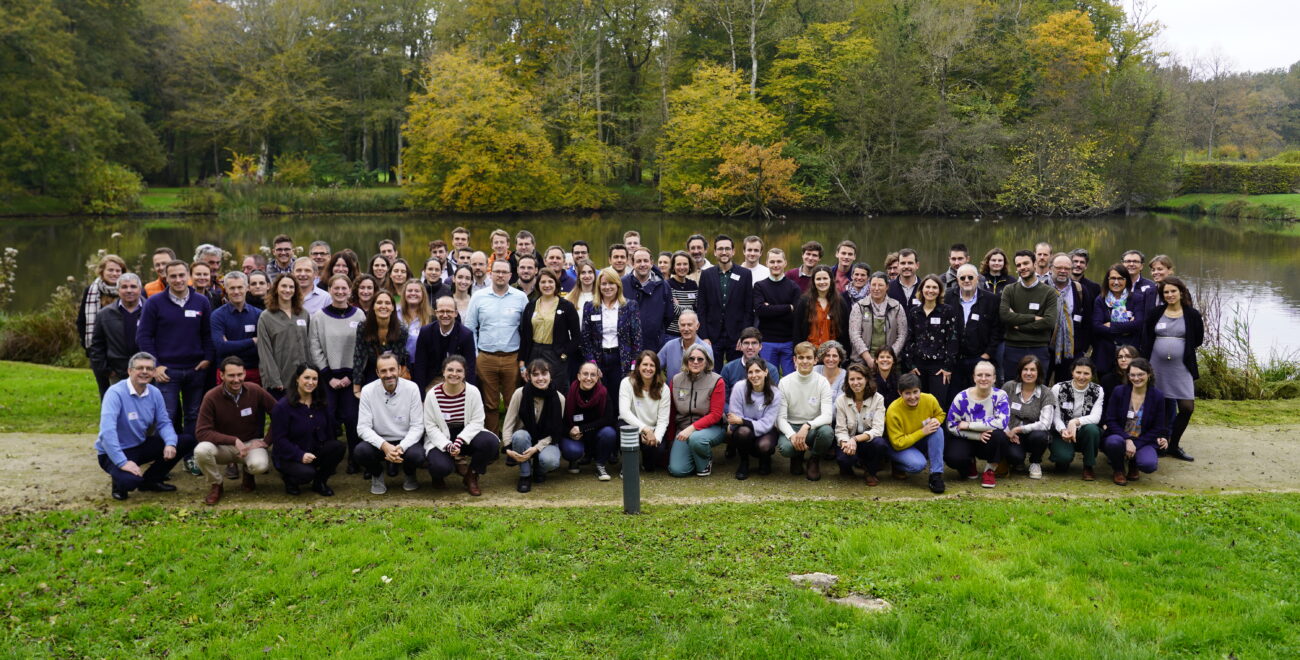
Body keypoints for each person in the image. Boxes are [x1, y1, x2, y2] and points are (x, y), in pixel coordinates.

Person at [136, 259, 213, 476]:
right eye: (173, 276)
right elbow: (144, 337)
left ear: (188, 275)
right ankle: (163, 462)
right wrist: (156, 366)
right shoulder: (154, 303)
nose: (178, 280)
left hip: (195, 370)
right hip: (166, 373)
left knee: (193, 416)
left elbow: (207, 334)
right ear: (165, 278)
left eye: (182, 275)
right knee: (166, 417)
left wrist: (207, 357)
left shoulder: (201, 302)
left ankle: (191, 457)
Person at [95, 352, 194, 500]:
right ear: (130, 371)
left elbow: (164, 422)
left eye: (149, 368)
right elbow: (107, 432)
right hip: (112, 451)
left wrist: (170, 443)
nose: (144, 372)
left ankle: (151, 480)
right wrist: (122, 462)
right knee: (131, 482)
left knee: (186, 440)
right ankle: (119, 482)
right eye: (140, 368)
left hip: (139, 445)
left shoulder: (155, 393)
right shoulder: (115, 393)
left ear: (154, 372)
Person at [193, 356, 277, 505]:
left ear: (245, 373)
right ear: (222, 375)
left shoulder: (255, 390)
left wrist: (266, 441)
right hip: (223, 446)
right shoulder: (211, 397)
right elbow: (201, 432)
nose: (236, 379)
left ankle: (248, 471)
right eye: (231, 375)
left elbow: (279, 414)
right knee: (201, 451)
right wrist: (233, 440)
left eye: (239, 374)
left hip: (250, 444)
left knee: (260, 466)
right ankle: (216, 484)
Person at [308, 274, 366, 473]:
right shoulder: (319, 317)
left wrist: (351, 376)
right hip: (328, 378)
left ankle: (354, 458)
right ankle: (330, 460)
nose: (340, 292)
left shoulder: (359, 315)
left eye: (344, 288)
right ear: (330, 290)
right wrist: (328, 377)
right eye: (336, 288)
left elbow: (363, 347)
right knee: (328, 418)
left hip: (352, 377)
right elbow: (314, 347)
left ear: (350, 291)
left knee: (352, 418)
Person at [464, 258, 528, 435]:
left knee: (512, 402)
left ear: (510, 275)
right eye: (497, 272)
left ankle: (511, 441)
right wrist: (476, 355)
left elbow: (526, 330)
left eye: (504, 272)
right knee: (489, 403)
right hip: (486, 357)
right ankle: (492, 440)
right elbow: (470, 328)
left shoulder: (520, 297)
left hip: (512, 357)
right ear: (490, 274)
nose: (500, 275)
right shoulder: (478, 297)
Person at [1143, 276, 1202, 463]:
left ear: (1181, 292)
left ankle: (1174, 444)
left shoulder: (1192, 315)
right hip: (1156, 367)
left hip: (1181, 366)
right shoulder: (1155, 313)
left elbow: (1198, 339)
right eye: (1166, 292)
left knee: (1186, 407)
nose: (1169, 295)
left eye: (1173, 291)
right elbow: (1147, 337)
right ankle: (1158, 443)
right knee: (1158, 406)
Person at [421, 355, 499, 496]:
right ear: (443, 372)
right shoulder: (432, 395)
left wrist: (459, 441)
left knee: (490, 443)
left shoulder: (473, 392)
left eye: (459, 371)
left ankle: (472, 476)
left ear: (464, 374)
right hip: (442, 436)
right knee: (441, 466)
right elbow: (430, 427)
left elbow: (477, 421)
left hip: (465, 435)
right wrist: (448, 445)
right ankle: (438, 475)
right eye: (450, 370)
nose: (454, 374)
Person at [270, 363, 345, 496]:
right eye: (307, 378)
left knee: (337, 447)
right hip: (290, 455)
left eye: (314, 379)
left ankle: (320, 482)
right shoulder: (282, 407)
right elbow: (279, 440)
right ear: (297, 379)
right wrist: (300, 455)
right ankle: (290, 480)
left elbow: (329, 432)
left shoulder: (321, 402)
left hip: (314, 450)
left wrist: (328, 458)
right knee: (307, 473)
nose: (311, 382)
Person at [356, 353, 425, 495]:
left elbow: (418, 426)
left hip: (405, 441)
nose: (388, 374)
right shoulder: (367, 391)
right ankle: (377, 474)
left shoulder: (412, 388)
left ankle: (409, 473)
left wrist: (401, 446)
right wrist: (385, 446)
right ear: (377, 372)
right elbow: (362, 428)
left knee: (417, 455)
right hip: (380, 442)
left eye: (392, 369)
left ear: (399, 369)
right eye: (383, 371)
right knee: (360, 452)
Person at [942, 360, 1012, 488]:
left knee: (1000, 437)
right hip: (966, 438)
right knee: (953, 457)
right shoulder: (961, 397)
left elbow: (1001, 423)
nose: (983, 378)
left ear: (994, 378)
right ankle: (969, 463)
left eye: (988, 375)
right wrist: (977, 436)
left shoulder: (1000, 396)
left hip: (988, 440)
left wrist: (969, 425)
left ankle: (990, 470)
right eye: (979, 375)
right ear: (974, 377)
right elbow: (951, 425)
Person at [1102, 357, 1170, 485]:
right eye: (1132, 375)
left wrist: (1136, 444)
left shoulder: (1158, 396)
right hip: (1120, 437)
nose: (1136, 378)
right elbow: (1110, 420)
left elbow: (1158, 427)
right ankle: (1119, 470)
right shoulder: (1119, 392)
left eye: (1140, 374)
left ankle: (1134, 465)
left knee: (1148, 465)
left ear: (1149, 374)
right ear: (1128, 376)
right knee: (1113, 442)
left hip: (1143, 439)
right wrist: (1127, 439)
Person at [504, 359, 567, 492]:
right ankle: (525, 475)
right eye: (535, 374)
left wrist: (537, 448)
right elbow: (508, 423)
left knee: (550, 461)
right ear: (528, 377)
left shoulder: (559, 398)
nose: (540, 378)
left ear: (550, 375)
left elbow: (555, 431)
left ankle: (540, 469)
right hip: (524, 437)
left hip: (547, 441)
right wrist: (508, 447)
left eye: (544, 374)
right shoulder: (520, 393)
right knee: (520, 436)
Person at [776, 342, 835, 481]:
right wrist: (792, 435)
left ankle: (814, 459)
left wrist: (807, 425)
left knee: (827, 433)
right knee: (785, 449)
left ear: (815, 360)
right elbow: (780, 418)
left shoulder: (822, 382)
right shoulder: (784, 382)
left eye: (809, 358)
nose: (805, 361)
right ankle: (797, 456)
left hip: (812, 427)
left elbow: (827, 415)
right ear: (795, 360)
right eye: (801, 358)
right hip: (792, 425)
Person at [580, 268, 642, 397]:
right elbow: (585, 338)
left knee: (619, 396)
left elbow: (637, 338)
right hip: (599, 359)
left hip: (620, 359)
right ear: (599, 286)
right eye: (603, 284)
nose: (607, 287)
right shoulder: (591, 307)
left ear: (617, 285)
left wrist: (633, 365)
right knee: (600, 396)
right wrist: (592, 364)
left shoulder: (630, 306)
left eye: (611, 283)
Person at [668, 345, 727, 478]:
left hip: (711, 428)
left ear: (707, 361)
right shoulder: (676, 380)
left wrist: (692, 428)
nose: (695, 362)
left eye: (700, 359)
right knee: (677, 470)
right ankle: (694, 456)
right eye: (692, 358)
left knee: (696, 439)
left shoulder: (717, 380)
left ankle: (705, 462)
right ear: (686, 360)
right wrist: (671, 440)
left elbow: (716, 414)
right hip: (682, 429)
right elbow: (671, 413)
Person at [998, 249, 1058, 381]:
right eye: (1018, 265)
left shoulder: (1049, 292)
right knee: (1011, 388)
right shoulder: (1009, 290)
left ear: (1035, 264)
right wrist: (1033, 318)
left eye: (1026, 263)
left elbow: (1049, 322)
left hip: (1039, 348)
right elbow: (1004, 316)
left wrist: (1018, 326)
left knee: (1038, 389)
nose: (1022, 267)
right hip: (1013, 348)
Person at [944, 263, 1003, 394]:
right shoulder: (947, 297)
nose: (966, 281)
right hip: (955, 360)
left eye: (970, 277)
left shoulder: (991, 300)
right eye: (962, 278)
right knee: (954, 397)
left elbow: (997, 329)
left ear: (977, 279)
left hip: (980, 358)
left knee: (979, 396)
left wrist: (987, 354)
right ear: (957, 280)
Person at [883, 373, 947, 493]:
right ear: (899, 393)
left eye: (915, 392)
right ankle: (897, 465)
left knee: (938, 430)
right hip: (899, 446)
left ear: (920, 390)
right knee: (918, 465)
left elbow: (940, 414)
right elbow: (898, 443)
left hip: (918, 440)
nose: (912, 397)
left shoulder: (929, 399)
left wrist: (936, 420)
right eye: (907, 393)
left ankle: (936, 474)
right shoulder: (893, 410)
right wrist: (923, 431)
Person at [521, 269, 580, 392]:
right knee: (534, 389)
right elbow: (525, 336)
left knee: (557, 390)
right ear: (538, 285)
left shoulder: (566, 306)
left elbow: (576, 337)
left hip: (555, 354)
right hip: (534, 353)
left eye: (550, 281)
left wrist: (564, 355)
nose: (547, 285)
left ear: (556, 284)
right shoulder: (530, 306)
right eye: (543, 282)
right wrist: (522, 362)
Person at [697, 235, 753, 363]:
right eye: (720, 249)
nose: (724, 252)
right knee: (712, 373)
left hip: (736, 335)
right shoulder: (706, 275)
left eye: (727, 248)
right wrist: (704, 336)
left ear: (733, 251)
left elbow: (748, 309)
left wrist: (744, 336)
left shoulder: (745, 274)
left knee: (736, 373)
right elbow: (701, 308)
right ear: (715, 252)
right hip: (712, 336)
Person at [904, 274, 958, 407]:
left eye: (935, 287)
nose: (931, 290)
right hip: (918, 366)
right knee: (918, 404)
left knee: (938, 404)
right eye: (927, 287)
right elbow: (909, 339)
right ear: (922, 289)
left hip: (939, 367)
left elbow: (953, 339)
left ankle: (938, 428)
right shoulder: (914, 312)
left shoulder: (947, 311)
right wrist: (911, 365)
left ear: (939, 291)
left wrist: (947, 367)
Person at [726, 356, 783, 480]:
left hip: (766, 431)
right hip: (744, 430)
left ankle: (765, 459)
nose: (754, 375)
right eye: (750, 372)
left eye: (757, 371)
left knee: (764, 445)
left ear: (765, 372)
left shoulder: (775, 393)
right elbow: (734, 416)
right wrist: (743, 422)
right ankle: (744, 462)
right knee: (743, 432)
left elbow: (768, 423)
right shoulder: (739, 387)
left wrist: (743, 421)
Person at [1049, 357, 1105, 480]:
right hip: (1062, 432)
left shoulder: (1097, 390)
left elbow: (1096, 417)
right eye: (1078, 372)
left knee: (1092, 429)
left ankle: (1088, 466)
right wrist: (1063, 430)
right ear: (1072, 372)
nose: (1081, 377)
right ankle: (1063, 458)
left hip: (1084, 432)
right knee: (1062, 461)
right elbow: (1055, 416)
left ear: (1092, 375)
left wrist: (1075, 422)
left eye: (1086, 373)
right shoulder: (1058, 388)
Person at [1002, 355, 1056, 480]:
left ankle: (1035, 462)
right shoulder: (1008, 387)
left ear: (1039, 372)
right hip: (1011, 435)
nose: (1028, 373)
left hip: (1034, 434)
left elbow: (1045, 424)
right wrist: (1007, 432)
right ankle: (1018, 461)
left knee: (1041, 436)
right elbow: (998, 413)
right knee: (1015, 457)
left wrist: (1018, 429)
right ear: (1020, 371)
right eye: (1025, 369)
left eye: (1033, 370)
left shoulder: (1046, 392)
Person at [833, 363, 888, 486]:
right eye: (852, 379)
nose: (856, 382)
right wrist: (846, 443)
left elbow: (878, 430)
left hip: (867, 440)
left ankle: (870, 471)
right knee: (844, 458)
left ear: (866, 379)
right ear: (847, 381)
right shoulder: (841, 400)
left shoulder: (878, 399)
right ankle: (847, 468)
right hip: (848, 441)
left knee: (880, 444)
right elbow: (840, 430)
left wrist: (855, 439)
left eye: (859, 378)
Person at [89, 273, 144, 397]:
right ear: (118, 290)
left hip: (146, 372)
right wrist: (106, 370)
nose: (129, 290)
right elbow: (97, 346)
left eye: (133, 287)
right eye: (124, 287)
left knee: (146, 410)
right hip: (117, 373)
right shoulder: (105, 314)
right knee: (119, 409)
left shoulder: (151, 311)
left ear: (140, 289)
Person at [256, 274, 310, 397]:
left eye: (291, 287)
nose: (287, 290)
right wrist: (274, 379)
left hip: (303, 379)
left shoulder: (303, 314)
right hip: (280, 382)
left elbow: (308, 345)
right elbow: (265, 352)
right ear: (276, 289)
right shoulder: (266, 317)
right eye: (284, 286)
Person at [79, 254, 126, 395]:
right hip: (99, 350)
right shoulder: (91, 291)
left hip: (121, 350)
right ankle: (107, 416)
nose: (114, 274)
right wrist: (89, 348)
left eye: (118, 271)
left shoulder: (129, 290)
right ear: (102, 271)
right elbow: (82, 321)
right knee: (105, 390)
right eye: (110, 270)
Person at [563, 362, 618, 480]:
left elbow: (608, 419)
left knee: (609, 433)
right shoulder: (570, 392)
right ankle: (574, 460)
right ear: (578, 376)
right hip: (575, 436)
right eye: (585, 374)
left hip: (595, 433)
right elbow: (561, 421)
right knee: (571, 450)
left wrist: (583, 428)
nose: (589, 378)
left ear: (598, 377)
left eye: (593, 375)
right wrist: (570, 432)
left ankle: (600, 464)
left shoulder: (603, 393)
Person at [412, 295, 478, 393]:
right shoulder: (426, 332)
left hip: (457, 378)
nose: (445, 315)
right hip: (432, 379)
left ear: (455, 313)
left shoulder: (466, 335)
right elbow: (420, 364)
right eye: (441, 311)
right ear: (436, 313)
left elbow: (470, 367)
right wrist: (420, 394)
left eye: (449, 311)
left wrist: (470, 393)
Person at [619, 351, 672, 472]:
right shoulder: (627, 383)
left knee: (652, 464)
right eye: (645, 364)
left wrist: (655, 439)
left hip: (653, 431)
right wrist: (644, 429)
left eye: (652, 365)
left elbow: (663, 420)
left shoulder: (664, 389)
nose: (648, 368)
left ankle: (646, 461)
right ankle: (628, 465)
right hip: (632, 426)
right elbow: (624, 412)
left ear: (657, 368)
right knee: (621, 430)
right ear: (638, 366)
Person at [1091, 264, 1145, 379]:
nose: (1116, 282)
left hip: (1130, 353)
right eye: (1113, 278)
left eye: (1120, 278)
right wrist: (1127, 327)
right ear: (1107, 280)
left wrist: (1111, 325)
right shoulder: (1100, 300)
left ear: (1127, 280)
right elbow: (1096, 326)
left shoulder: (1136, 299)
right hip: (1106, 354)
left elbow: (1138, 324)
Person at [753, 248, 800, 376]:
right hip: (767, 341)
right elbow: (761, 311)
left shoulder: (793, 287)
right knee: (768, 378)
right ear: (767, 263)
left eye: (779, 261)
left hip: (788, 342)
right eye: (772, 261)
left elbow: (795, 316)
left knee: (790, 379)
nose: (775, 265)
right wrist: (787, 307)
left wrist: (771, 309)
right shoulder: (759, 286)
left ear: (785, 263)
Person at [352, 290, 408, 396]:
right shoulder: (363, 327)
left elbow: (397, 360)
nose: (383, 306)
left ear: (393, 308)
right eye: (379, 302)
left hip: (392, 372)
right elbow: (359, 356)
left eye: (387, 303)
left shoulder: (402, 330)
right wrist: (356, 387)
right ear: (373, 306)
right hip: (371, 371)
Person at [849, 272, 908, 371]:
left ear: (887, 287)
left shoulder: (897, 307)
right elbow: (854, 335)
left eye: (880, 285)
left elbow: (902, 335)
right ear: (869, 286)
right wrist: (869, 359)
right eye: (873, 285)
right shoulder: (859, 306)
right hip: (862, 362)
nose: (876, 288)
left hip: (890, 362)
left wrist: (888, 357)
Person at [211, 271, 262, 385]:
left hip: (253, 371)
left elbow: (263, 346)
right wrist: (253, 341)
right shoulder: (218, 316)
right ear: (226, 289)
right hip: (227, 373)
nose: (236, 291)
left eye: (240, 287)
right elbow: (221, 347)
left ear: (247, 288)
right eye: (232, 288)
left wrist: (231, 345)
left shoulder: (258, 314)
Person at [1048, 253, 1091, 384]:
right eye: (1058, 268)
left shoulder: (1079, 289)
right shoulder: (1042, 288)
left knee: (1066, 389)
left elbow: (1087, 322)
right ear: (1050, 268)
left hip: (1071, 351)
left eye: (1067, 268)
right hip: (1046, 349)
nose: (1063, 271)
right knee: (1040, 386)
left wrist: (1082, 348)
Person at [622, 247, 675, 352]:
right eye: (638, 261)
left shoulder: (663, 285)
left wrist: (657, 330)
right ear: (632, 263)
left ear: (651, 263)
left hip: (654, 344)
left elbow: (669, 315)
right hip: (628, 345)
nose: (642, 264)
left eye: (646, 261)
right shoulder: (622, 284)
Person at [793, 265, 849, 348]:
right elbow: (797, 330)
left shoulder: (840, 302)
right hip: (809, 353)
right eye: (818, 279)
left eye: (825, 278)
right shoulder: (804, 302)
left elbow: (845, 332)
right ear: (813, 281)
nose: (822, 282)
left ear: (831, 280)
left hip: (831, 355)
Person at [657, 309, 713, 382]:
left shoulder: (706, 349)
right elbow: (654, 366)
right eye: (683, 325)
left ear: (697, 326)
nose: (686, 329)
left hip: (698, 392)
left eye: (689, 325)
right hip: (673, 392)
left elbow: (710, 377)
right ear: (679, 327)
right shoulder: (670, 346)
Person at [719, 327, 778, 393]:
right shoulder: (728, 369)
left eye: (754, 343)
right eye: (746, 343)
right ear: (740, 346)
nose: (750, 347)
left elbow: (772, 398)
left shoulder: (771, 370)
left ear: (760, 346)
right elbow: (724, 398)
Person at [665, 251, 698, 338]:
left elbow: (698, 309)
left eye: (685, 264)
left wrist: (679, 306)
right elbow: (672, 310)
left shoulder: (693, 285)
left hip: (691, 334)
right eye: (678, 264)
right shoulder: (667, 285)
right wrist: (691, 308)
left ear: (690, 266)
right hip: (671, 335)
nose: (682, 267)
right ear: (673, 266)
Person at [399, 280, 431, 361]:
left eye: (417, 291)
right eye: (409, 291)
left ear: (423, 294)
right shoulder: (395, 315)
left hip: (423, 364)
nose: (413, 293)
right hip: (399, 365)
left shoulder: (431, 317)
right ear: (404, 294)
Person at [566, 258, 599, 329]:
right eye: (583, 272)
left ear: (594, 274)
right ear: (578, 275)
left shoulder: (601, 296)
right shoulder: (569, 298)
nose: (587, 276)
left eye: (590, 272)